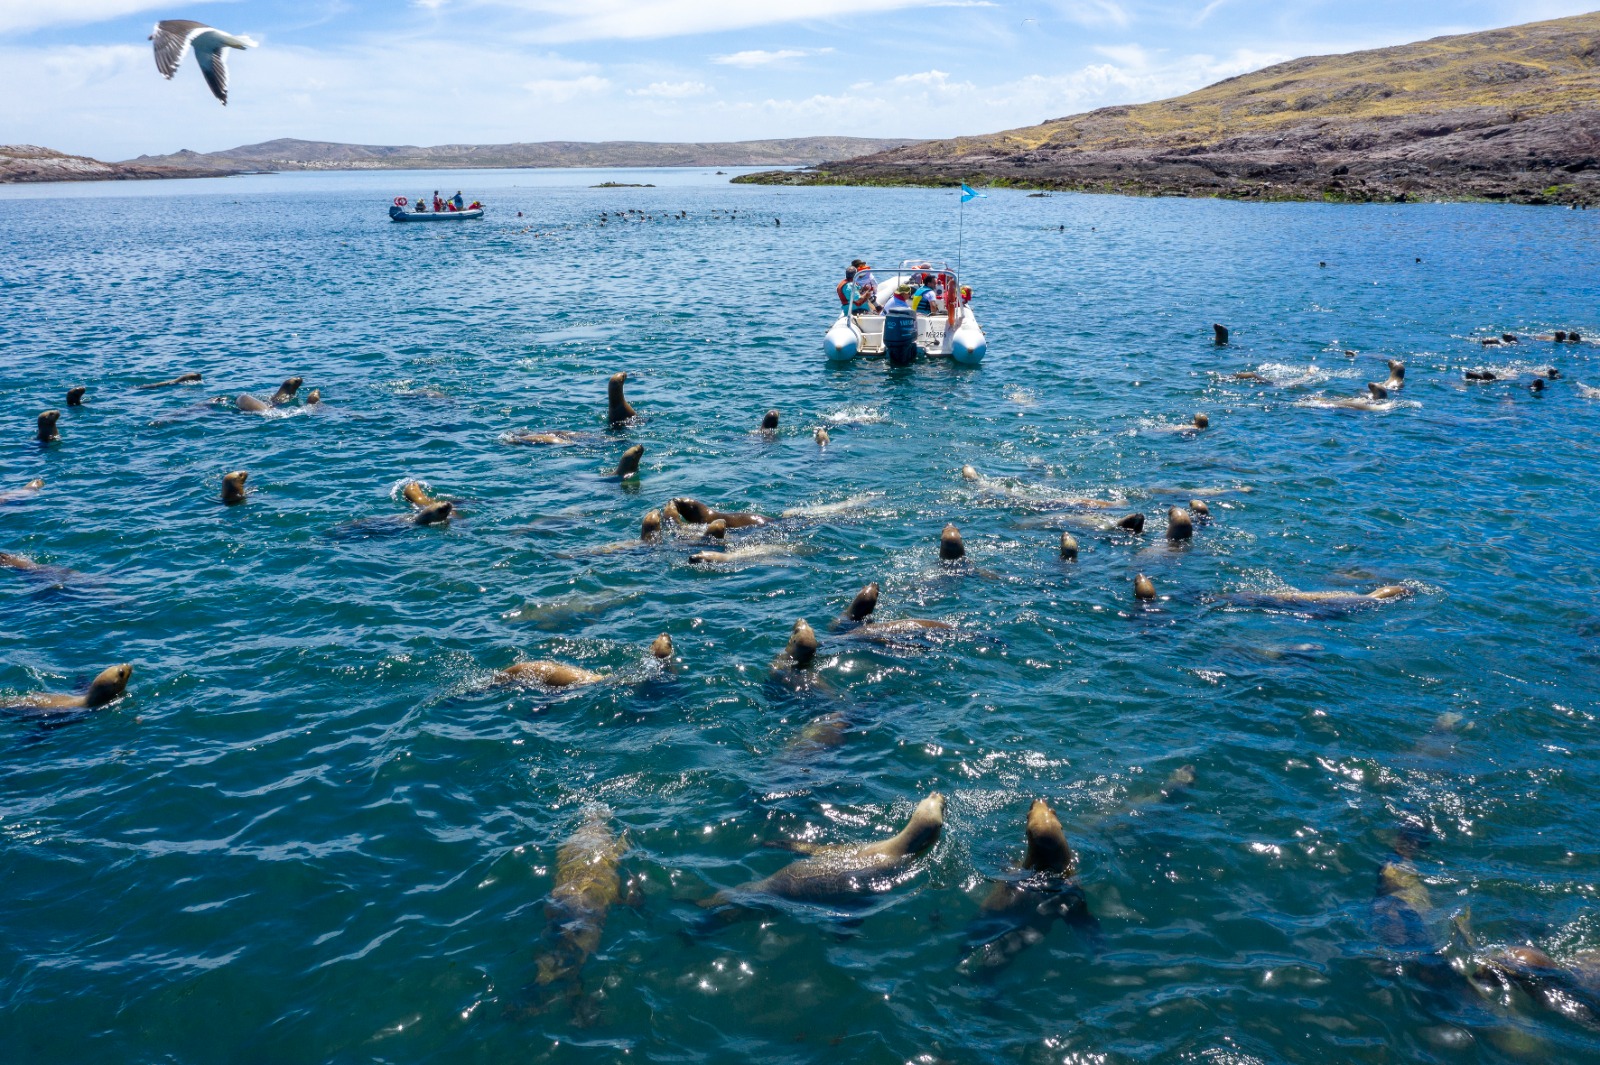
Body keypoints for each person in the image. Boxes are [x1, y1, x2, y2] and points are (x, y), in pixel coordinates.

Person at [881, 284, 918, 366]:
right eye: (908, 293)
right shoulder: (901, 305)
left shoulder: (893, 299)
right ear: (903, 294)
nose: (909, 295)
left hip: (884, 322)